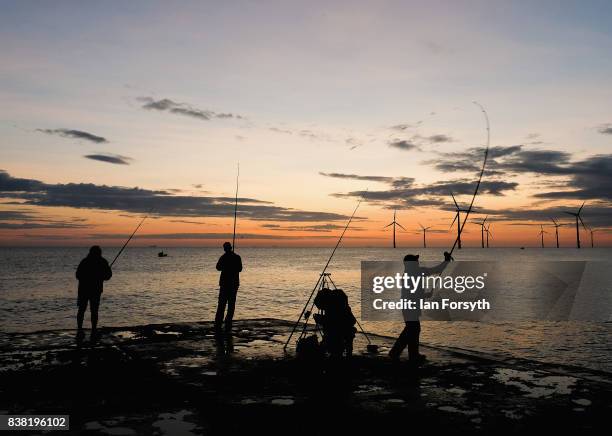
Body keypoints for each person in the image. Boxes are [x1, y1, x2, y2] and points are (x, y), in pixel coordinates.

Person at [389, 251, 452, 364]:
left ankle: (402, 353)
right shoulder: (417, 272)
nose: (418, 262)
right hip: (411, 307)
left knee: (410, 330)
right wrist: (446, 260)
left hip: (407, 307)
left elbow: (413, 292)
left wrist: (425, 295)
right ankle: (407, 354)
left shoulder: (409, 274)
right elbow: (437, 270)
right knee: (413, 329)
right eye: (416, 260)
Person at [76, 245, 112, 337]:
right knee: (94, 310)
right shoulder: (103, 262)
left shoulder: (85, 261)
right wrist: (102, 275)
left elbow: (78, 275)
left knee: (81, 310)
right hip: (96, 290)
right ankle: (93, 330)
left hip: (83, 289)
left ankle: (80, 330)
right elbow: (108, 276)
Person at [215, 242, 242, 333]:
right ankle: (228, 321)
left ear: (225, 249)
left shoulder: (223, 257)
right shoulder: (237, 257)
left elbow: (218, 267)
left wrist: (226, 266)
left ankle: (218, 322)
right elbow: (240, 269)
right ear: (230, 248)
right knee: (231, 304)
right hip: (233, 284)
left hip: (225, 284)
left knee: (221, 304)